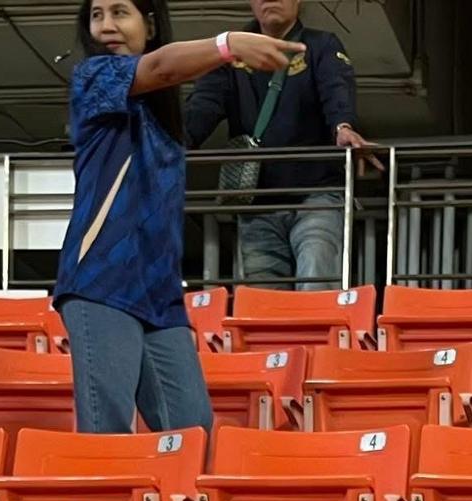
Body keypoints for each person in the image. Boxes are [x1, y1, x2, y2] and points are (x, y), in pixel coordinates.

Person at [53, 1, 297, 434]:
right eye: (97, 15)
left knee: (193, 431)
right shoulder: (93, 77)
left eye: (119, 12)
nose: (106, 25)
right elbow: (162, 67)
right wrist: (228, 44)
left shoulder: (163, 120)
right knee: (108, 430)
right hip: (102, 278)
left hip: (160, 290)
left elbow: (164, 75)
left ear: (148, 24)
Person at [185, 0, 374, 289]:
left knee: (316, 279)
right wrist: (171, 145)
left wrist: (343, 126)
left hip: (317, 194)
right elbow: (202, 108)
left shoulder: (321, 45)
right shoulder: (231, 54)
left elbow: (336, 90)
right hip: (257, 201)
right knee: (265, 302)